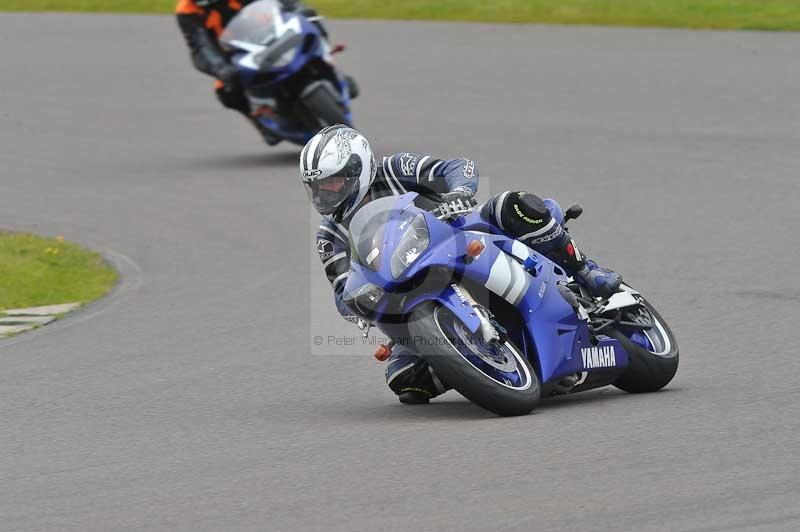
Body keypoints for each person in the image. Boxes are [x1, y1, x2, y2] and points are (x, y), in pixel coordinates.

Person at [300, 125, 621, 405]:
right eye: (316, 187)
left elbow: (458, 167)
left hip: (456, 236)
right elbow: (342, 288)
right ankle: (480, 361)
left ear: (358, 169)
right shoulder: (329, 236)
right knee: (405, 381)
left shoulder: (395, 168)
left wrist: (459, 193)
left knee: (512, 205)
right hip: (405, 289)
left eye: (332, 182)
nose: (324, 193)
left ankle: (585, 270)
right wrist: (356, 302)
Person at [176, 0, 354, 144]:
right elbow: (200, 47)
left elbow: (285, 3)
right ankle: (263, 124)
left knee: (310, 20)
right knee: (226, 90)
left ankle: (330, 66)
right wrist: (221, 68)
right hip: (238, 55)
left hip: (273, 32)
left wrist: (297, 10)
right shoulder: (187, 11)